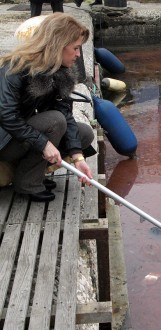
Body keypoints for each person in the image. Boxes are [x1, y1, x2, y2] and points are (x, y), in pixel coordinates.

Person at [0, 13, 95, 202]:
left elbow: (65, 112)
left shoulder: (57, 70)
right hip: (3, 139)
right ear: (58, 45)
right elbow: (6, 115)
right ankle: (27, 183)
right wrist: (43, 143)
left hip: (18, 135)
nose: (78, 55)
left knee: (84, 134)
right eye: (75, 48)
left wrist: (78, 157)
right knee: (54, 122)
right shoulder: (15, 68)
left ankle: (31, 174)